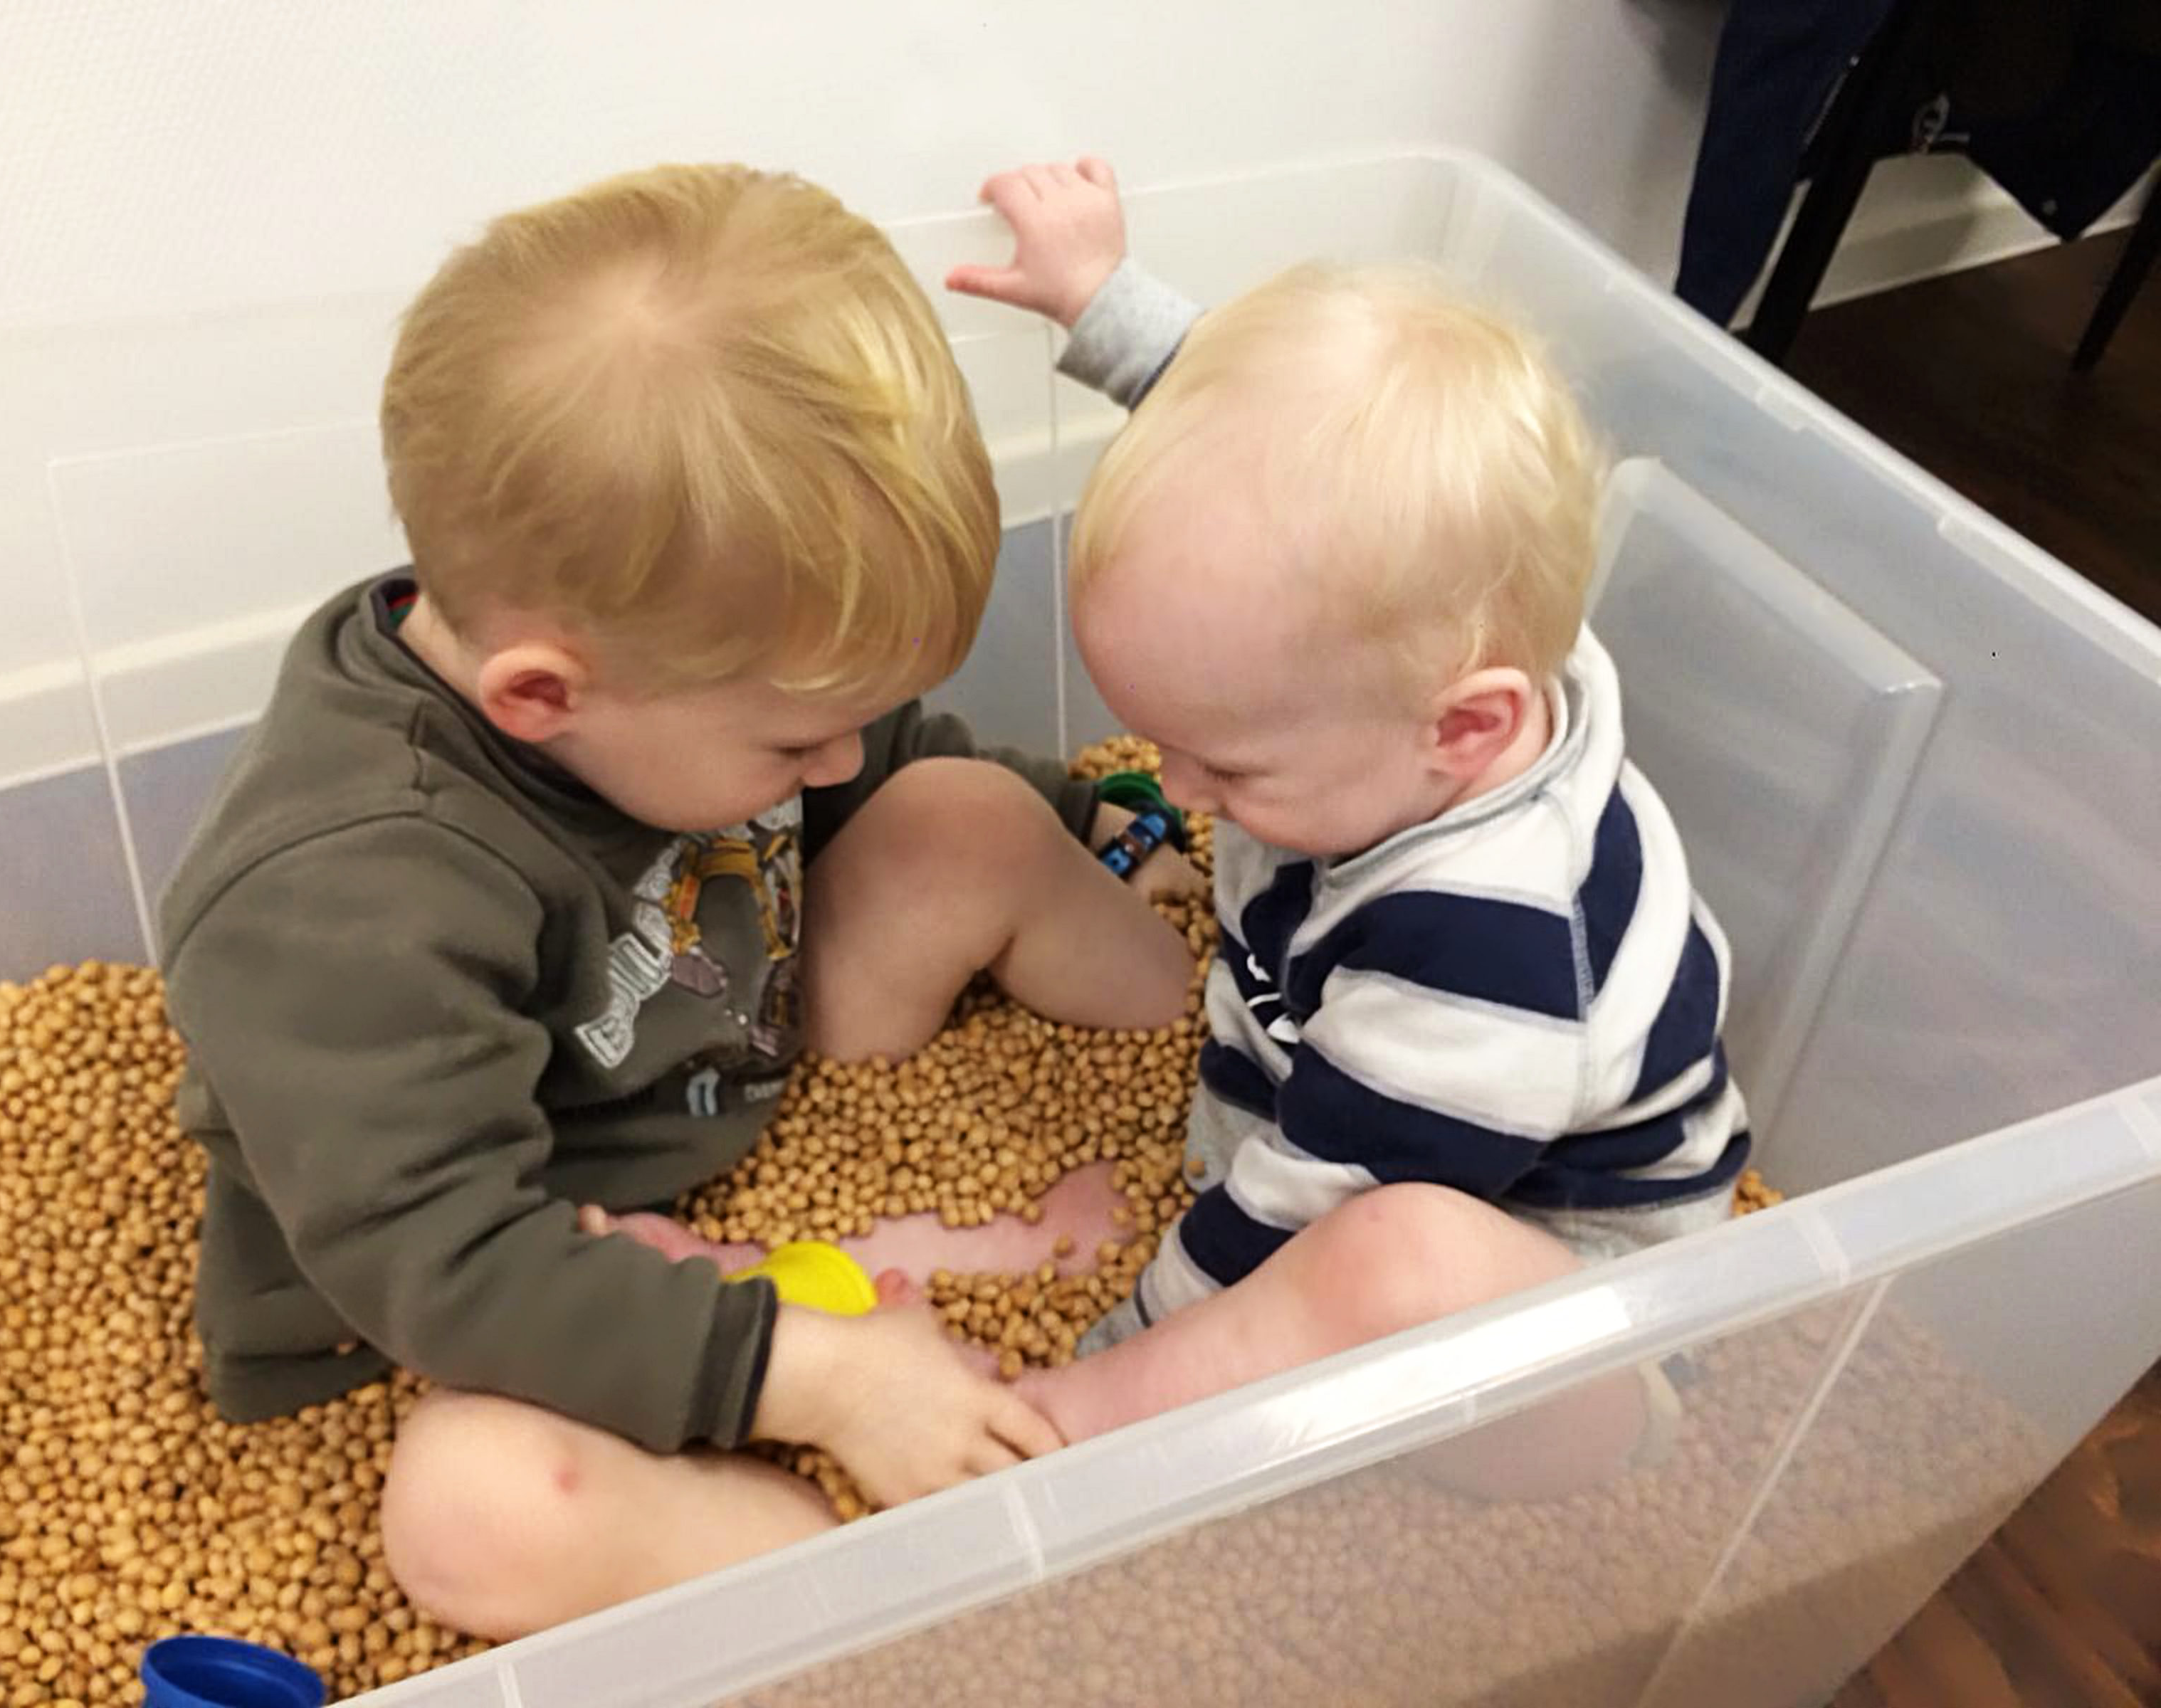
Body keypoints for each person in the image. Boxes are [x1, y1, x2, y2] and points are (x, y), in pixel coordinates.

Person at [157, 162, 1197, 1640]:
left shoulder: (658, 652)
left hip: (727, 1075)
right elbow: (445, 1266)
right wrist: (823, 1380)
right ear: (541, 696)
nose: (837, 765)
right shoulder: (337, 901)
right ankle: (872, 1599)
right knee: (482, 1511)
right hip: (477, 1292)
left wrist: (1084, 814)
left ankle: (1228, 1076)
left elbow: (872, 748)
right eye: (793, 744)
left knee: (968, 813)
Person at [942, 159, 1752, 1472]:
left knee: (1389, 1256)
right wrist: (1103, 302)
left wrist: (1127, 1356)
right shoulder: (1416, 648)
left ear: (1465, 728)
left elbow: (1308, 1218)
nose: (1177, 792)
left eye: (1228, 769)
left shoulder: (1488, 951)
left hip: (1576, 1329)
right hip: (1372, 1111)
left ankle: (1065, 1446)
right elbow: (1260, 458)